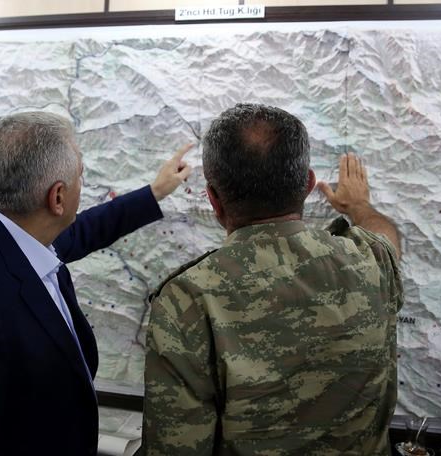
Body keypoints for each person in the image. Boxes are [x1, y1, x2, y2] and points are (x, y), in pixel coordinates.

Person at [0, 111, 192, 456]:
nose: (82, 183)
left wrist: (154, 193)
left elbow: (86, 230)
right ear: (57, 198)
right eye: (80, 175)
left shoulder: (16, 234)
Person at [142, 103, 403, 455]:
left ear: (214, 200)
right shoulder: (369, 261)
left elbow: (177, 447)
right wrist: (359, 207)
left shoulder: (186, 299)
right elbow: (387, 239)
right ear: (308, 185)